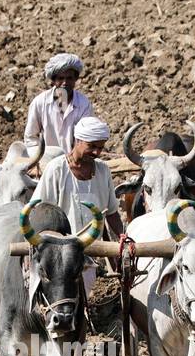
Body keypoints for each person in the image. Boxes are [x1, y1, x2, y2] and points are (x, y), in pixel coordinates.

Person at [33, 116, 126, 295]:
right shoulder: (56, 169)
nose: (97, 153)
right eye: (92, 146)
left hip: (92, 250)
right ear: (78, 140)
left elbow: (112, 213)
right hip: (61, 256)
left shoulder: (103, 171)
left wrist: (124, 238)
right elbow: (40, 211)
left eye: (101, 147)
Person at [23, 53, 94, 153]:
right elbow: (31, 138)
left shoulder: (84, 105)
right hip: (46, 162)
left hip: (74, 162)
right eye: (60, 78)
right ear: (54, 80)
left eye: (69, 78)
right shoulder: (40, 103)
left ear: (75, 79)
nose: (65, 82)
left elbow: (87, 138)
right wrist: (37, 162)